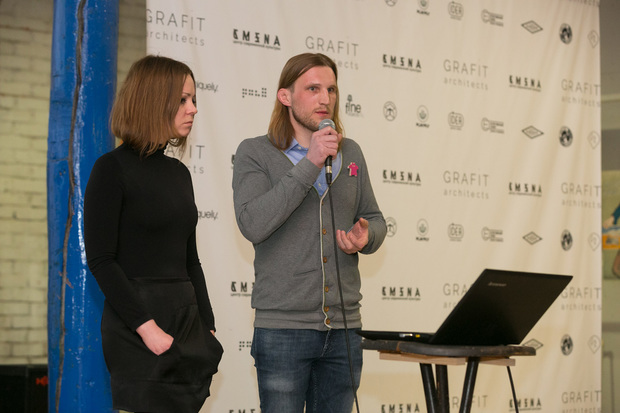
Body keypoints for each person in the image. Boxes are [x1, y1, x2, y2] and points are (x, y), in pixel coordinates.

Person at [232, 52, 387, 413]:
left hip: (344, 329)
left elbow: (374, 219)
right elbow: (252, 223)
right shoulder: (255, 152)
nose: (324, 98)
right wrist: (311, 161)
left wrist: (367, 237)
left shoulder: (351, 152)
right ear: (285, 96)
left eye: (331, 89)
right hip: (283, 329)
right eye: (313, 89)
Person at [84, 55, 223, 413]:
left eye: (194, 99)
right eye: (183, 99)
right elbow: (101, 260)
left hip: (185, 320)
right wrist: (147, 329)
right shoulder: (110, 169)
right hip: (136, 324)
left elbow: (190, 259)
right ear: (154, 100)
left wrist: (207, 325)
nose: (193, 109)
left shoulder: (179, 173)